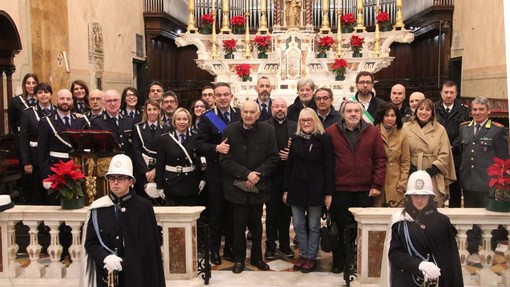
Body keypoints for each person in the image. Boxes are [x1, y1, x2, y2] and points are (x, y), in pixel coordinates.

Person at [82, 154, 165, 287]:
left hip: (136, 278)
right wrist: (104, 257)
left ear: (131, 181)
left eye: (121, 178)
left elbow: (150, 251)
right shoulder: (98, 207)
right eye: (112, 178)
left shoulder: (143, 207)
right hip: (107, 276)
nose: (115, 183)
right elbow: (91, 243)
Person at [325, 99, 387, 273]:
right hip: (340, 190)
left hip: (365, 190)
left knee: (362, 229)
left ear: (361, 114)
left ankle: (359, 260)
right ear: (342, 114)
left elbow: (381, 160)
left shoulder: (372, 132)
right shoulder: (331, 132)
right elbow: (326, 164)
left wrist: (376, 184)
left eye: (356, 111)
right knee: (340, 227)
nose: (353, 114)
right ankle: (339, 261)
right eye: (349, 111)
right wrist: (328, 191)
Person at [219, 100, 279, 274]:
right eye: (246, 112)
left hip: (258, 186)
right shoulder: (229, 130)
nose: (249, 115)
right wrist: (246, 174)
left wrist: (257, 174)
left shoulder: (268, 131)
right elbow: (225, 159)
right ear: (241, 113)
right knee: (238, 226)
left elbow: (273, 157)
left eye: (253, 112)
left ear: (258, 114)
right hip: (237, 186)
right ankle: (239, 259)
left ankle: (257, 258)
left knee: (257, 225)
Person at [383, 170, 464, 287]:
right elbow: (395, 254)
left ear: (430, 196)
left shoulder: (442, 222)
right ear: (409, 196)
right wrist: (418, 265)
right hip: (406, 281)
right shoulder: (399, 221)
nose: (419, 200)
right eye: (415, 195)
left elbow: (451, 263)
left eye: (423, 195)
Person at [284, 107, 334, 273]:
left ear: (315, 120)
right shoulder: (295, 139)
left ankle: (311, 256)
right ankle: (304, 254)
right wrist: (286, 189)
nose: (305, 123)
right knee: (298, 224)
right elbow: (289, 166)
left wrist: (328, 193)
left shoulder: (324, 138)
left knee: (313, 225)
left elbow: (329, 167)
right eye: (302, 120)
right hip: (296, 188)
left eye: (309, 120)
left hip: (316, 189)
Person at [197, 82, 240, 266]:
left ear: (231, 96)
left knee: (233, 214)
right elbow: (198, 145)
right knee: (216, 214)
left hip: (236, 173)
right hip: (216, 174)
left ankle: (230, 248)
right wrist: (216, 147)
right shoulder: (208, 118)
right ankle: (214, 250)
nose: (223, 98)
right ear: (214, 97)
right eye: (219, 95)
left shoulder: (240, 114)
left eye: (226, 94)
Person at [405, 99, 456, 207]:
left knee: (431, 206)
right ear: (416, 111)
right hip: (410, 173)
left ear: (432, 113)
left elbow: (445, 154)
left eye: (428, 109)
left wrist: (430, 171)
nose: (424, 112)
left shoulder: (440, 129)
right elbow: (401, 152)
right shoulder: (406, 127)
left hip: (433, 174)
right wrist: (411, 169)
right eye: (421, 109)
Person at [460, 97, 509, 207]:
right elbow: (463, 152)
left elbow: (503, 160)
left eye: (481, 109)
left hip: (487, 183)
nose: (477, 113)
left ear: (488, 111)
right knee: (470, 217)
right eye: (474, 109)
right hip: (468, 182)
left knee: (486, 218)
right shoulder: (464, 128)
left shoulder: (496, 130)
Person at [264, 97, 296, 260]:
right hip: (270, 176)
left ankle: (284, 244)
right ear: (271, 109)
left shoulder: (295, 126)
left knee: (286, 213)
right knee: (271, 213)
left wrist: (290, 156)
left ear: (287, 109)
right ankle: (270, 246)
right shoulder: (263, 126)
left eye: (282, 106)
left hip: (289, 176)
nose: (280, 109)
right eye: (276, 106)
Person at [156, 107, 204, 206]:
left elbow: (202, 160)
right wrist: (159, 186)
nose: (182, 122)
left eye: (185, 119)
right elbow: (160, 164)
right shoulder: (165, 139)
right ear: (174, 121)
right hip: (171, 183)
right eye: (179, 119)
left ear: (189, 121)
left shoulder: (196, 137)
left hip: (190, 183)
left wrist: (204, 178)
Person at [38, 89, 88, 183]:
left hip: (77, 168)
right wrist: (46, 176)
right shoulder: (46, 122)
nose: (65, 101)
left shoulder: (81, 121)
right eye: (62, 98)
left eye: (68, 99)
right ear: (56, 100)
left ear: (72, 101)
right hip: (56, 169)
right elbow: (42, 152)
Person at [434, 81, 470, 207]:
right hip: (437, 155)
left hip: (456, 156)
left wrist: (452, 147)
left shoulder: (464, 111)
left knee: (454, 190)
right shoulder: (433, 108)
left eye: (451, 92)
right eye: (446, 92)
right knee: (437, 189)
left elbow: (465, 132)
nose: (448, 95)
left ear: (456, 94)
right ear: (441, 93)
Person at [19, 82, 55, 204]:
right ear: (36, 95)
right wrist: (27, 162)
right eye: (40, 92)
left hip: (53, 158)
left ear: (51, 94)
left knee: (54, 191)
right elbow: (23, 139)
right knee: (37, 192)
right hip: (35, 159)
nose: (43, 95)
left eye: (46, 92)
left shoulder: (57, 112)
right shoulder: (28, 113)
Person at [131, 99, 170, 198]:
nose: (152, 112)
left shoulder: (167, 128)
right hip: (143, 170)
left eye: (155, 109)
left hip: (161, 170)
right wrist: (146, 171)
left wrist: (156, 170)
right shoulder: (138, 128)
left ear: (159, 111)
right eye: (149, 109)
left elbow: (168, 152)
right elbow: (136, 151)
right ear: (145, 111)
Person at [373, 103, 410, 207]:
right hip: (377, 180)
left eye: (393, 115)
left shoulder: (402, 133)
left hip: (396, 181)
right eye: (386, 115)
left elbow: (405, 161)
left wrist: (403, 183)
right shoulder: (373, 131)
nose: (390, 118)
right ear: (381, 116)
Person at [91, 89, 135, 154]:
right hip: (108, 161)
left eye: (115, 100)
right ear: (104, 103)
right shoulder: (97, 123)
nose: (113, 104)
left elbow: (134, 145)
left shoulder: (129, 121)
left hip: (127, 160)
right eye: (109, 101)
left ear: (120, 102)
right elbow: (97, 148)